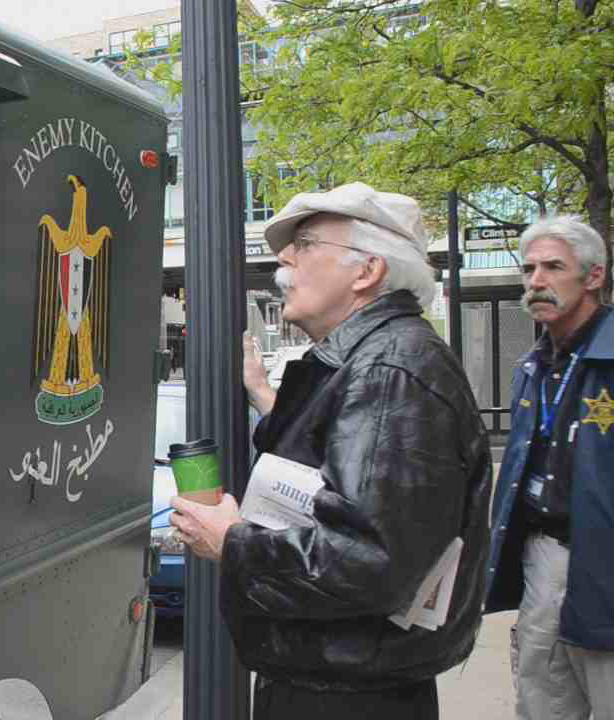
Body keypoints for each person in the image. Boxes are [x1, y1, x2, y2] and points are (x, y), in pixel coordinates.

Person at [169, 182, 491, 719]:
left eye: (307, 243)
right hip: (339, 682)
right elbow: (342, 471)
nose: (283, 259)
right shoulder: (381, 358)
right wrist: (268, 402)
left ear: (367, 272)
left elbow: (368, 563)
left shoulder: (390, 371)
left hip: (345, 696)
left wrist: (233, 541)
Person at [484, 215, 614, 720]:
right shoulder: (531, 367)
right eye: (529, 268)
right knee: (542, 703)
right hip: (544, 560)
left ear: (594, 276)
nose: (536, 280)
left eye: (554, 267)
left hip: (604, 567)